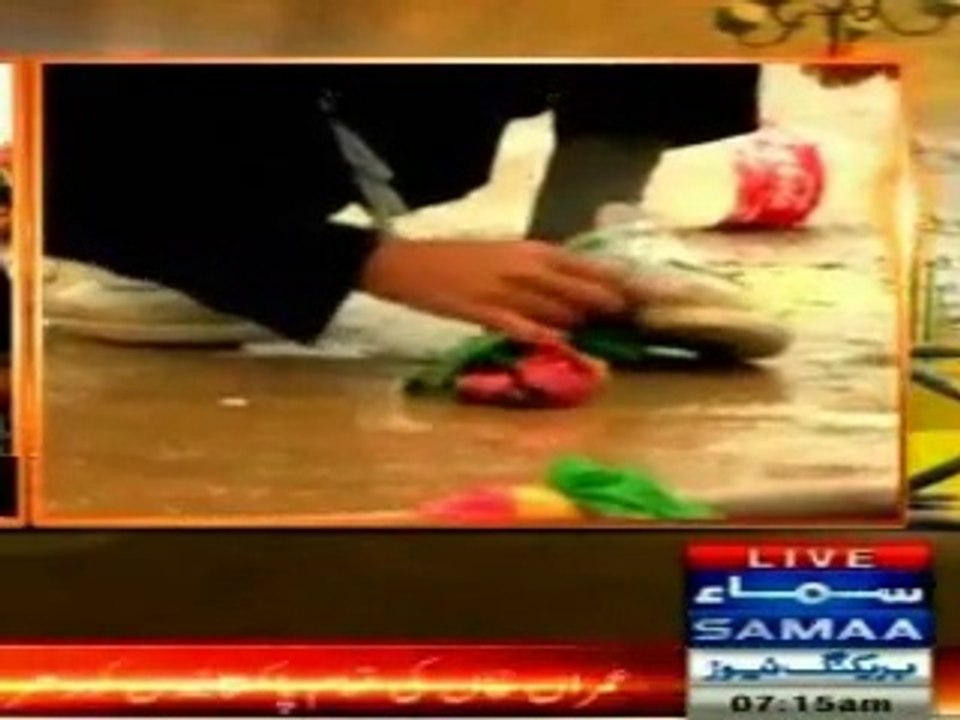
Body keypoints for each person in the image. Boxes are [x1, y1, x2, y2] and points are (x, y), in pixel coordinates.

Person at [42, 62, 888, 347]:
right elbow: (50, 160)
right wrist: (363, 264)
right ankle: (208, 251)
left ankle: (591, 225)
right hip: (190, 124)